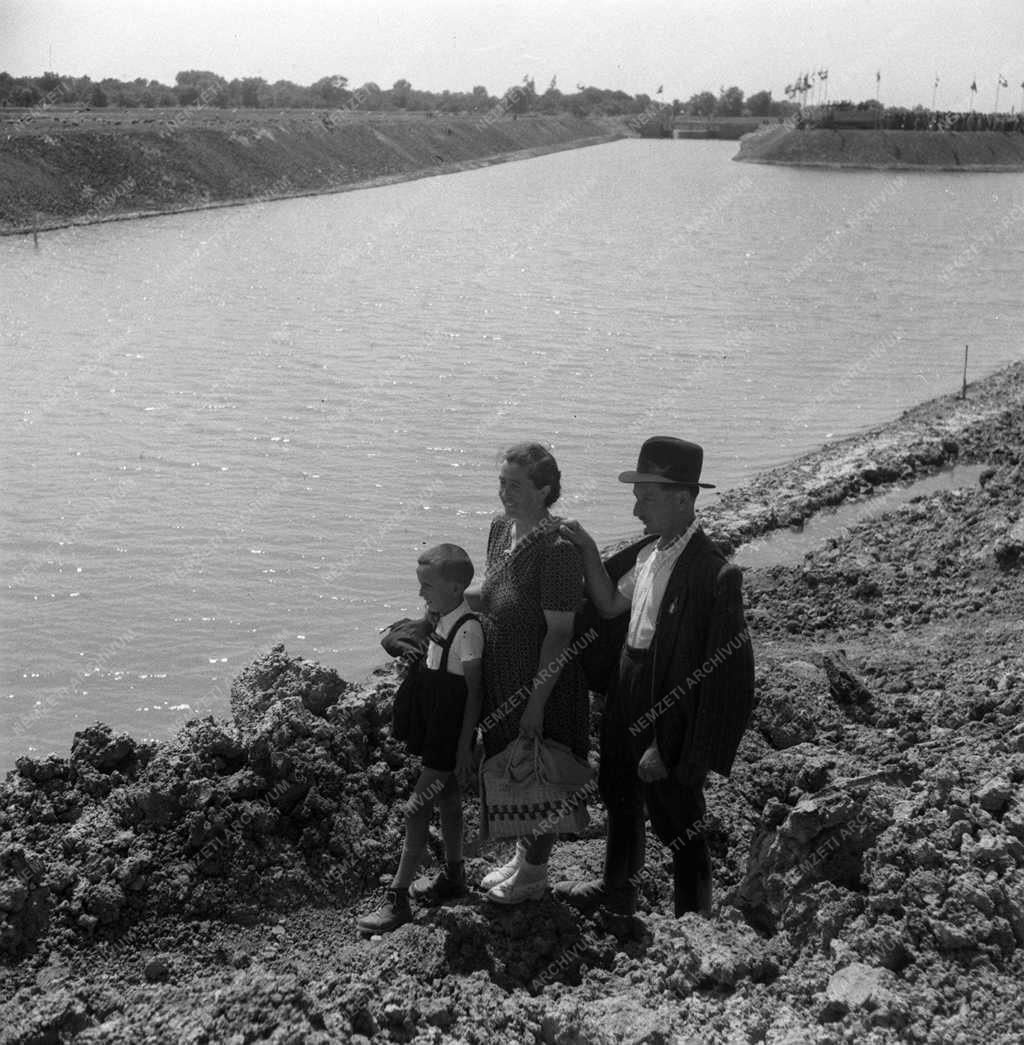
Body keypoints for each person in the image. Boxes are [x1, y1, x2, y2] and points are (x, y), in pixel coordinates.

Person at [554, 437, 754, 917]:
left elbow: (719, 675)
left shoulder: (713, 574)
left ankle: (696, 917)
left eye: (647, 498)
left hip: (671, 701)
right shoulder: (649, 553)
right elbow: (608, 605)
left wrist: (669, 741)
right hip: (628, 687)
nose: (636, 509)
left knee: (677, 811)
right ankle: (617, 890)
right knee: (618, 792)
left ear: (683, 499)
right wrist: (584, 548)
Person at [469, 442, 588, 904]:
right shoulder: (501, 529)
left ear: (545, 490)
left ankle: (534, 876)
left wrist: (536, 703)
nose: (505, 494)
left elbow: (559, 634)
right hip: (503, 673)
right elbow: (495, 593)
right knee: (516, 772)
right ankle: (523, 858)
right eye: (502, 483)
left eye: (516, 485)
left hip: (542, 679)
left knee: (540, 773)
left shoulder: (558, 551)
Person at [356, 544, 483, 933]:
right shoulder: (441, 620)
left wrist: (465, 748)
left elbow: (475, 693)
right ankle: (454, 874)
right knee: (447, 801)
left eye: (427, 585)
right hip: (436, 732)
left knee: (415, 810)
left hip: (449, 739)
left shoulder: (468, 629)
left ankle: (399, 899)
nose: (421, 593)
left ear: (456, 586)